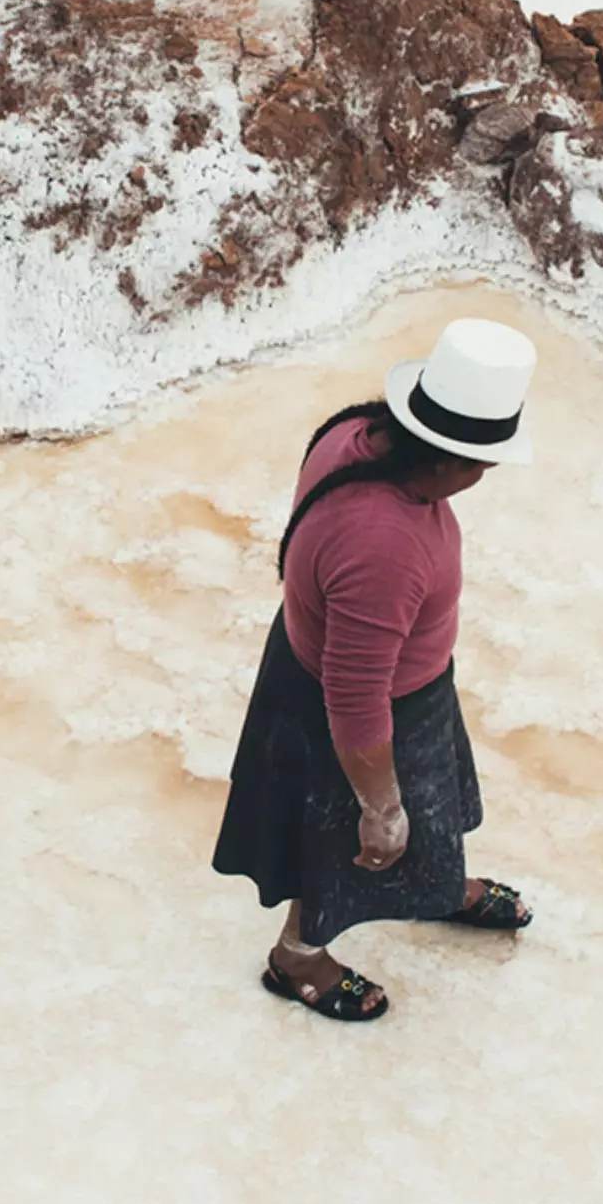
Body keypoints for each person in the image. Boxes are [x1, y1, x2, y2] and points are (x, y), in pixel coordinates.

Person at [213, 315, 537, 1023]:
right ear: (449, 460)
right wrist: (380, 807)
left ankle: (436, 885)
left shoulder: (358, 436)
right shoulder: (381, 542)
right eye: (485, 461)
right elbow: (354, 698)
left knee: (431, 814)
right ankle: (297, 957)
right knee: (348, 844)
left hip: (399, 687)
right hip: (359, 714)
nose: (487, 475)